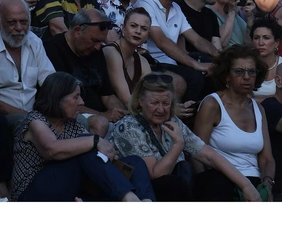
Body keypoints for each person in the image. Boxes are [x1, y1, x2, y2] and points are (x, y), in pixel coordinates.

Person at [111, 72, 263, 202]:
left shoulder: (172, 121)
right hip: (144, 193)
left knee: (218, 178)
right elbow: (156, 174)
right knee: (173, 183)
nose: (161, 109)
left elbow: (210, 156)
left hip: (179, 188)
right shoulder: (130, 127)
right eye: (154, 103)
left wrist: (246, 185)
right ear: (140, 101)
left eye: (166, 103)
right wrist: (178, 145)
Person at [10, 71, 153, 201]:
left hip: (69, 188)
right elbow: (51, 150)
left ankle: (146, 202)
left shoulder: (71, 123)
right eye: (76, 97)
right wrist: (95, 140)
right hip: (31, 193)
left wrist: (107, 154)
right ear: (58, 99)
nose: (81, 102)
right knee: (85, 148)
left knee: (134, 162)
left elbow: (95, 153)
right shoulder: (36, 120)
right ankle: (129, 199)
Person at [193, 45, 276, 201]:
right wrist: (206, 183)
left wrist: (268, 184)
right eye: (239, 71)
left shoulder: (258, 109)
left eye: (252, 71)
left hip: (255, 183)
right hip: (221, 181)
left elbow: (267, 159)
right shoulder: (213, 104)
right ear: (226, 76)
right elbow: (196, 152)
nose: (246, 77)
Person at [136, 0, 218, 103]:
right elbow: (161, 41)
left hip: (170, 63)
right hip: (150, 63)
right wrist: (195, 64)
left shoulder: (176, 8)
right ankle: (182, 119)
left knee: (214, 73)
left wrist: (220, 58)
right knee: (195, 77)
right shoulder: (146, 4)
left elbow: (196, 39)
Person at [0, 0, 55, 124]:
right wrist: (33, 119)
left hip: (35, 116)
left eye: (24, 22)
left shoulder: (35, 42)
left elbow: (51, 83)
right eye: (11, 22)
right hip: (1, 119)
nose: (19, 28)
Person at [44, 9, 128, 124]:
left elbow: (108, 96)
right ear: (77, 31)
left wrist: (119, 112)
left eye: (101, 42)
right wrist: (103, 115)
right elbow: (62, 101)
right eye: (94, 41)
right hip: (70, 117)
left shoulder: (96, 52)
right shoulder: (52, 50)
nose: (98, 47)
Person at [251, 18, 282, 100]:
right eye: (256, 38)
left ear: (276, 43)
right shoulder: (247, 65)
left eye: (266, 38)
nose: (261, 43)